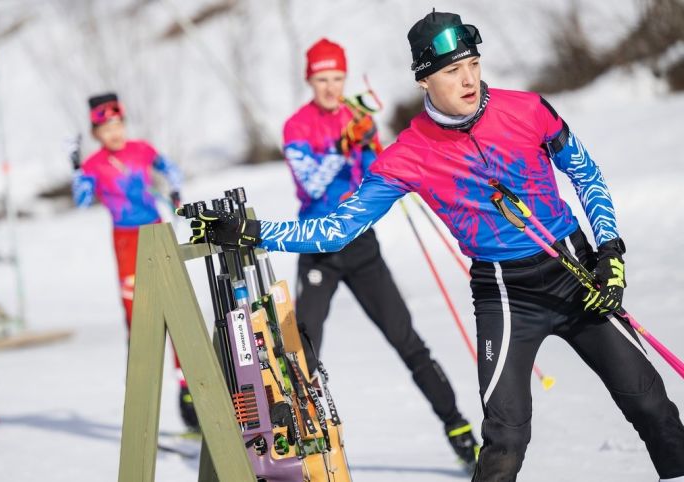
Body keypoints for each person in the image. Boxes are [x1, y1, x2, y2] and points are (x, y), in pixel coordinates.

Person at [189, 11, 684, 482]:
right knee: (506, 441)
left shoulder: (527, 109)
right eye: (452, 70)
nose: (469, 80)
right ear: (425, 80)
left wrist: (610, 254)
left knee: (650, 403)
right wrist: (251, 232)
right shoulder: (408, 154)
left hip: (575, 271)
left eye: (473, 64)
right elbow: (336, 230)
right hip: (505, 292)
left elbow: (585, 174)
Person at [281, 37, 479, 469]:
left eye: (337, 78)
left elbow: (380, 168)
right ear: (309, 80)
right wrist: (341, 146)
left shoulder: (357, 115)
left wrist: (370, 141)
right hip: (318, 246)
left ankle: (458, 427)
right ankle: (299, 442)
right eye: (322, 79)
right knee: (303, 348)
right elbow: (312, 185)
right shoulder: (297, 127)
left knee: (405, 337)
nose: (331, 87)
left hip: (360, 245)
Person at [70, 93, 198, 430]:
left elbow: (172, 170)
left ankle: (187, 392)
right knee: (138, 318)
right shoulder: (95, 164)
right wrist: (75, 169)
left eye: (118, 124)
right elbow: (82, 200)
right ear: (96, 133)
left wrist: (175, 191)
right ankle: (143, 398)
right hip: (126, 241)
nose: (115, 132)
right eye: (106, 127)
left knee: (176, 309)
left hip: (156, 233)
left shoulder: (141, 149)